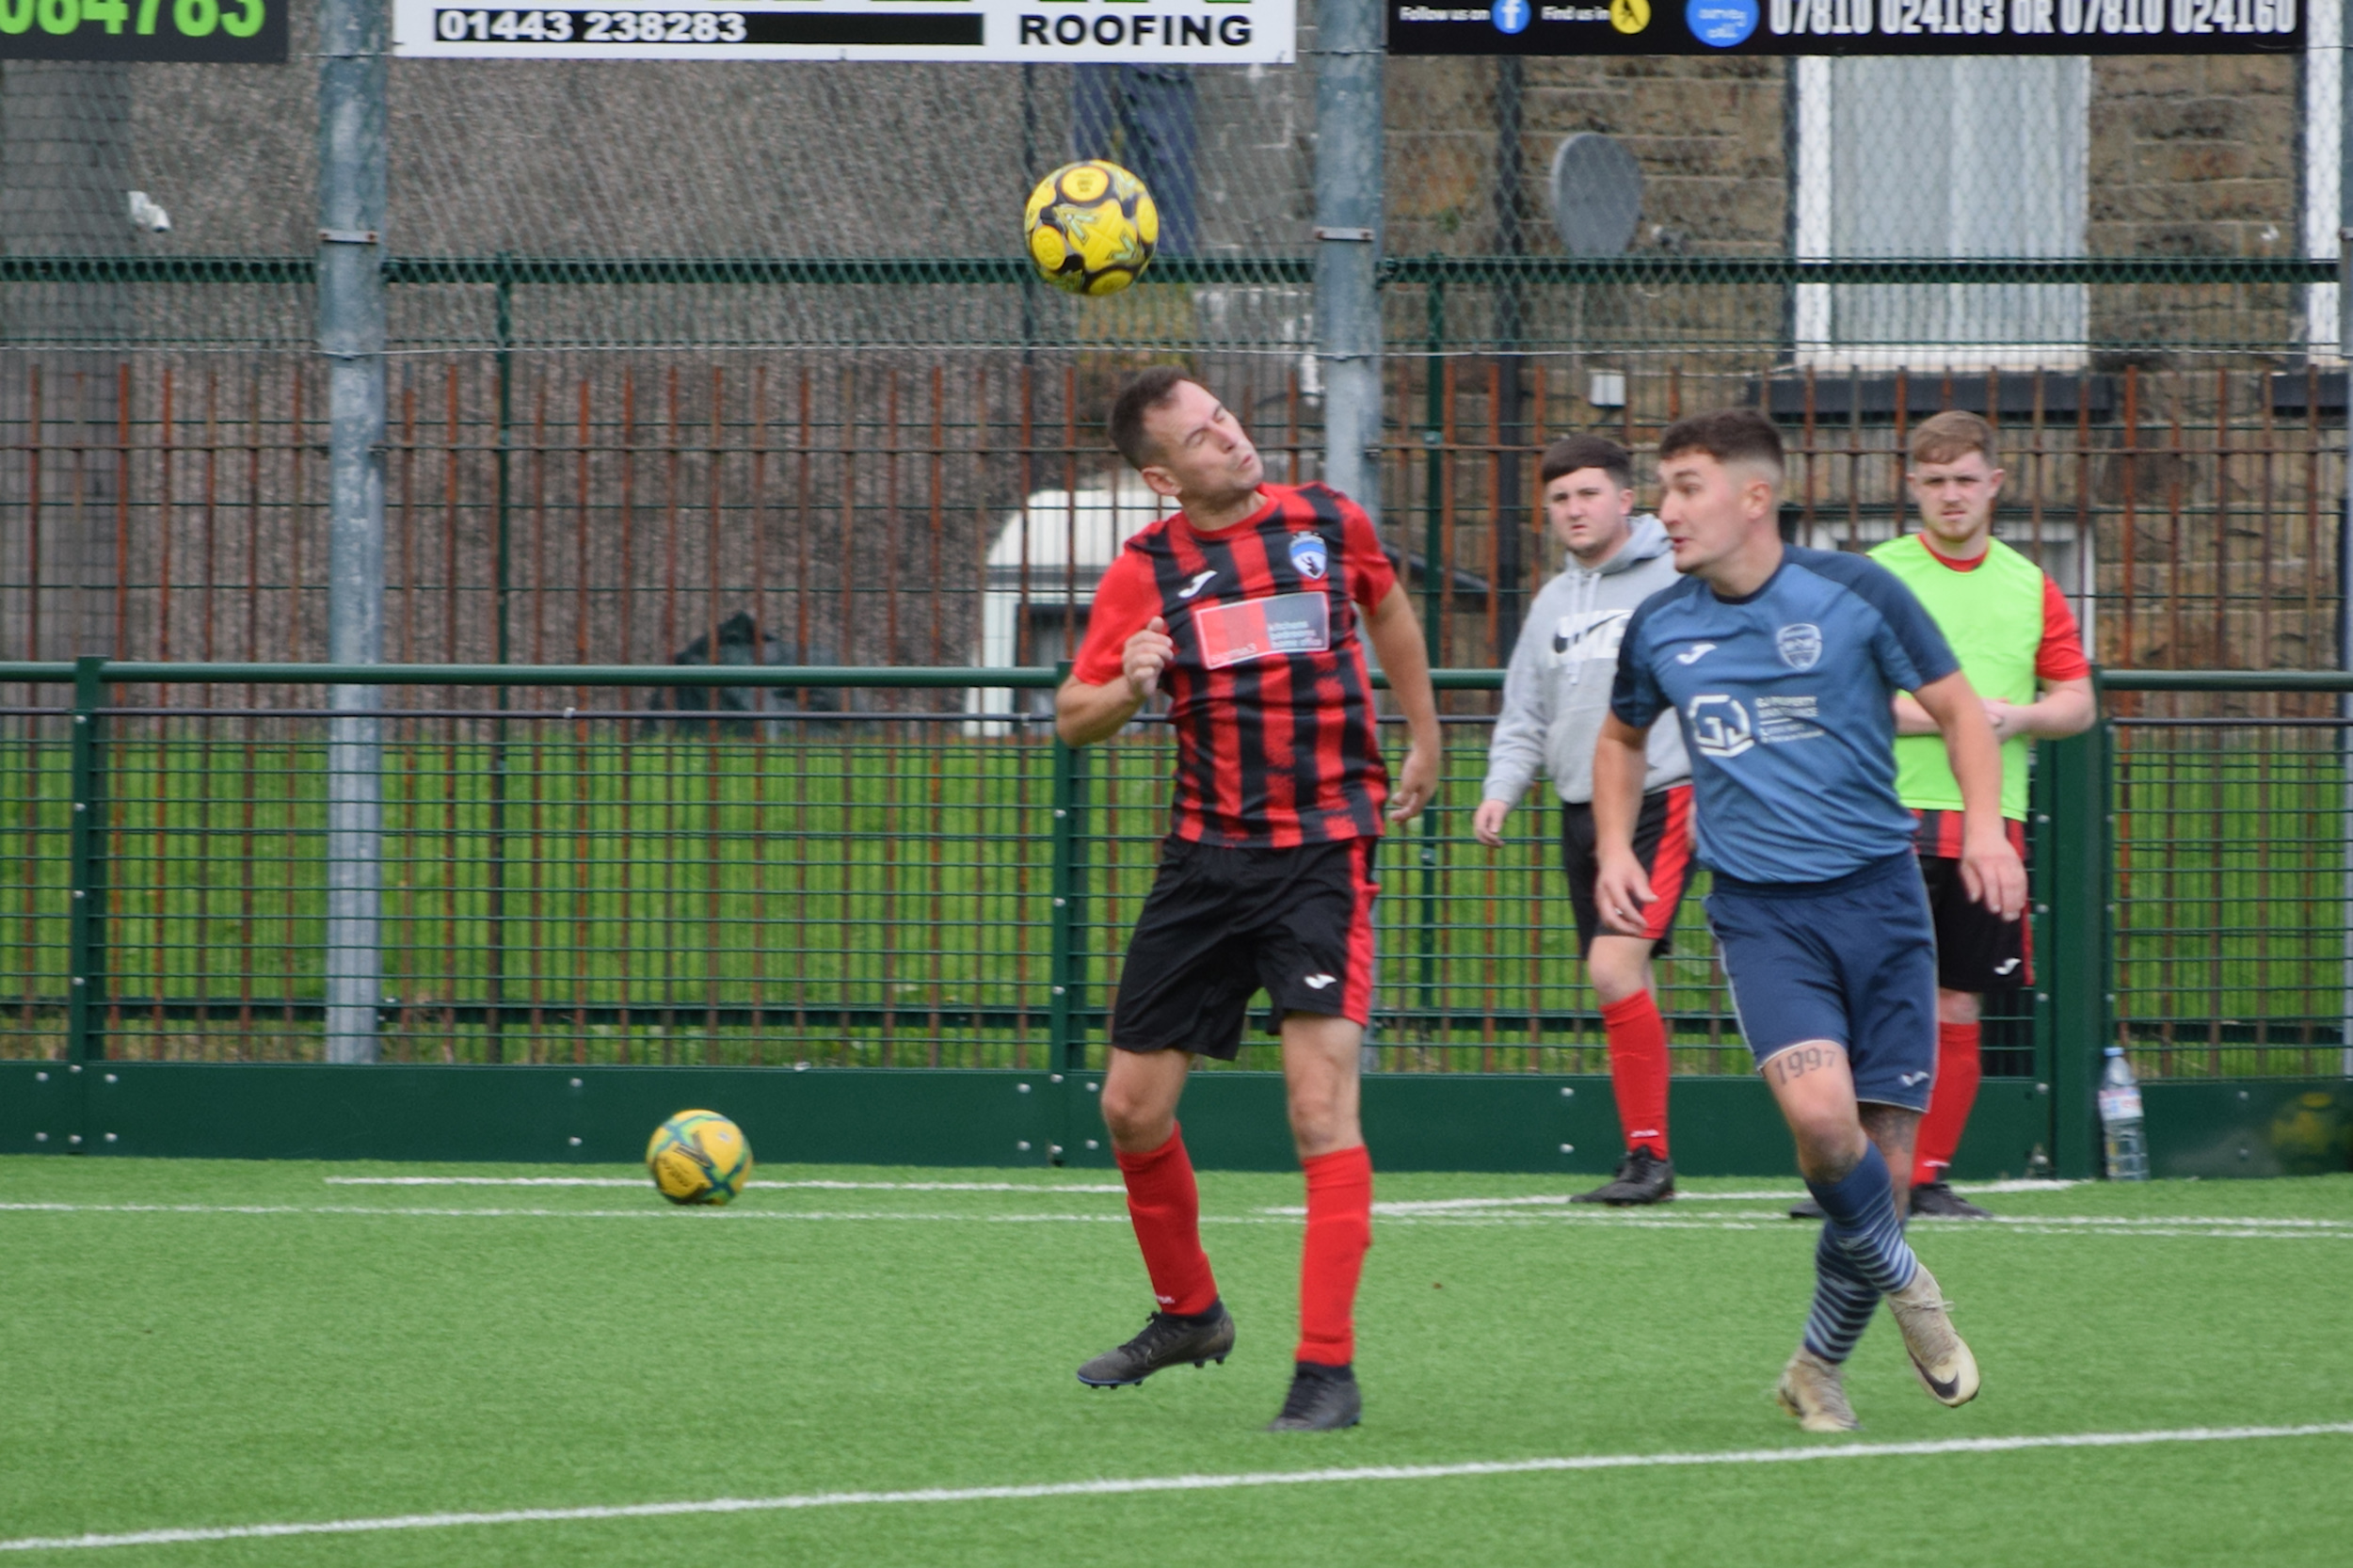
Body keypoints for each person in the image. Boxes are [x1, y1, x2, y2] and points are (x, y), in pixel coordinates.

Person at [1592, 408, 2025, 1432]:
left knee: (1884, 1165)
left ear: (1755, 497)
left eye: (1686, 487)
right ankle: (1911, 1283)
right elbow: (1619, 740)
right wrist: (1614, 847)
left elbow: (1960, 710)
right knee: (1826, 1125)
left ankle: (1816, 1368)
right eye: (1662, 487)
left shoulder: (1857, 594)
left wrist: (1984, 831)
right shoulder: (1661, 625)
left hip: (1883, 902)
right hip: (1762, 916)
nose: (1664, 509)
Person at [1056, 367, 1443, 1432]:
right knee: (1130, 1109)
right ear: (1161, 477)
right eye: (1201, 435)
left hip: (1322, 855)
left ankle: (1326, 1373)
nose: (1230, 436)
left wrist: (1423, 731)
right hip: (1203, 860)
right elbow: (1072, 716)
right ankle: (1190, 1314)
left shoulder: (1327, 520)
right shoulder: (1145, 570)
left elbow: (1387, 605)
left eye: (1223, 415)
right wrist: (1129, 683)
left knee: (1318, 1109)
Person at [1848, 410, 2091, 1219]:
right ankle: (1857, 1177)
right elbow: (1838, 695)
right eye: (1935, 481)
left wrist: (2017, 718)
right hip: (1881, 818)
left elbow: (2078, 701)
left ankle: (1924, 1179)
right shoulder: (1874, 575)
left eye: (1964, 480)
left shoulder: (2031, 584)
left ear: (1994, 484)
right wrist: (1948, 718)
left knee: (1958, 1004)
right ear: (1911, 486)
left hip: (1989, 827)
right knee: (1875, 1005)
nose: (1951, 495)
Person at [1474, 434, 1690, 1205]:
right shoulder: (1552, 604)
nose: (1574, 509)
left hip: (1664, 798)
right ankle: (1648, 1155)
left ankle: (1650, 1159)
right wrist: (1501, 789)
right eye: (1560, 498)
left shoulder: (1678, 578)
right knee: (1622, 978)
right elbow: (1525, 714)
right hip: (1580, 809)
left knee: (1614, 967)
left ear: (1626, 499)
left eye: (1589, 494)